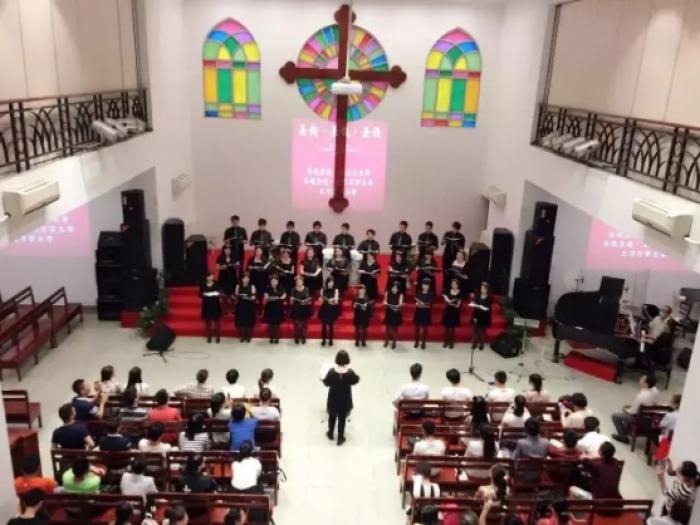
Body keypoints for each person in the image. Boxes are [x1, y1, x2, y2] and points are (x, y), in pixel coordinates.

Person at [323, 350, 360, 446]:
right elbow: (356, 380)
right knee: (342, 418)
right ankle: (340, 437)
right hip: (345, 399)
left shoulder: (331, 372)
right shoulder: (350, 373)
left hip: (333, 398)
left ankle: (330, 433)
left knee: (332, 416)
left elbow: (326, 383)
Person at [611, 373, 660, 443]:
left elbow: (632, 412)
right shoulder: (655, 390)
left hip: (639, 418)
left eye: (642, 379)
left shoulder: (641, 397)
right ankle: (625, 430)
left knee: (615, 416)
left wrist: (625, 409)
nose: (640, 379)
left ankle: (623, 437)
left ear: (646, 384)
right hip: (650, 415)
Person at [200, 271, 223, 344]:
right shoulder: (203, 284)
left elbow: (219, 292)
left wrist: (217, 293)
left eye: (212, 276)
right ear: (207, 277)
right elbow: (200, 294)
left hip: (215, 304)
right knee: (207, 321)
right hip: (206, 304)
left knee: (216, 321)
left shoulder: (216, 283)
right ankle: (209, 336)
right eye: (210, 276)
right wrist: (203, 294)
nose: (212, 277)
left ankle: (217, 336)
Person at [263, 274, 285, 344]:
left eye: (275, 281)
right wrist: (267, 297)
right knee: (271, 324)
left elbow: (284, 294)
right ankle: (271, 337)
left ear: (277, 281)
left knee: (277, 324)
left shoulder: (280, 287)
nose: (274, 282)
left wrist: (281, 297)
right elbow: (265, 296)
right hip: (270, 307)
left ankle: (277, 337)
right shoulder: (267, 287)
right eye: (272, 281)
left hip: (278, 307)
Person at [234, 272, 257, 343]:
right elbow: (236, 295)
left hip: (249, 305)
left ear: (249, 279)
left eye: (247, 278)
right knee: (241, 321)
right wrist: (236, 299)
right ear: (242, 279)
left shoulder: (252, 286)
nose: (246, 279)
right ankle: (242, 336)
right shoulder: (238, 286)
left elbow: (254, 297)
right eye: (244, 278)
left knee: (249, 321)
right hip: (241, 305)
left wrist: (249, 298)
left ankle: (248, 336)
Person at [217, 244, 239, 314]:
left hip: (232, 277)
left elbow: (238, 266)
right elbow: (217, 267)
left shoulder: (234, 257)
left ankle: (233, 309)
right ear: (223, 250)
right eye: (226, 249)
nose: (227, 251)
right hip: (223, 277)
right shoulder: (220, 257)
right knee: (224, 294)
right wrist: (223, 267)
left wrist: (235, 266)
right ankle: (224, 309)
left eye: (229, 249)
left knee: (233, 294)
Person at [318, 276, 340, 347]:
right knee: (324, 325)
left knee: (330, 325)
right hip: (324, 309)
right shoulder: (323, 290)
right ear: (327, 283)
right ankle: (324, 339)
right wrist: (321, 299)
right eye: (329, 282)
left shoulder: (336, 290)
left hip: (331, 309)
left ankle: (330, 339)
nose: (330, 284)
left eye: (332, 282)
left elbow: (336, 302)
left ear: (333, 283)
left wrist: (333, 301)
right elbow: (320, 300)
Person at [470, 282, 491, 350]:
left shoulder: (489, 297)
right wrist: (473, 303)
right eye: (481, 288)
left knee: (481, 332)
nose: (482, 290)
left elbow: (487, 308)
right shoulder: (478, 295)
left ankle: (481, 344)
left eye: (483, 288)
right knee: (475, 330)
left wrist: (482, 307)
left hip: (484, 316)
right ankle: (475, 343)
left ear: (487, 289)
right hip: (477, 315)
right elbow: (475, 304)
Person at [442, 279, 462, 348]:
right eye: (452, 284)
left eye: (455, 284)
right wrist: (447, 300)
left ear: (457, 285)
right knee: (447, 327)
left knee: (452, 328)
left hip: (454, 311)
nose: (453, 285)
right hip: (448, 310)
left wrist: (453, 304)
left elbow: (458, 305)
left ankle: (451, 342)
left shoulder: (459, 293)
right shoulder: (448, 291)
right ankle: (446, 341)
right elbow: (445, 301)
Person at [414, 278, 434, 349]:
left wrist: (424, 305)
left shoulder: (430, 293)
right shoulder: (418, 292)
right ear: (422, 285)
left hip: (426, 312)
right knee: (417, 328)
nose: (425, 286)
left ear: (428, 286)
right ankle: (416, 341)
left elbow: (430, 304)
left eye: (427, 285)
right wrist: (418, 304)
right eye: (424, 285)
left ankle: (423, 342)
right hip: (419, 311)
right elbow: (416, 302)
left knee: (425, 328)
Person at [383, 280, 404, 349]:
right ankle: (386, 341)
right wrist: (385, 303)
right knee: (388, 328)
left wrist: (398, 306)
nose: (394, 289)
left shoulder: (400, 294)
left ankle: (394, 342)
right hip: (389, 312)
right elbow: (384, 301)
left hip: (396, 313)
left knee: (395, 328)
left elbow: (400, 304)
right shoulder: (387, 292)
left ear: (398, 288)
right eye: (393, 287)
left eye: (396, 288)